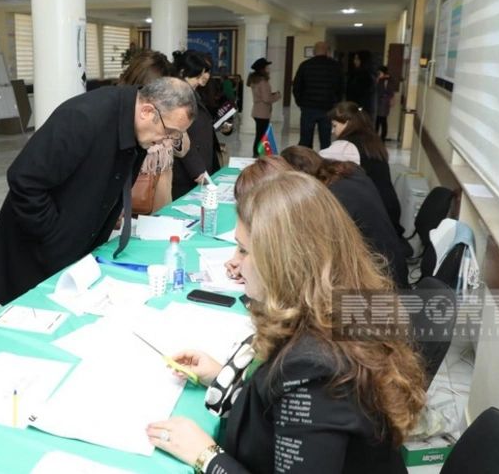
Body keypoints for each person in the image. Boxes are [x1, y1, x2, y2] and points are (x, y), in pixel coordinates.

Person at [147, 172, 426, 474]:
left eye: (244, 249)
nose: (235, 262)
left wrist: (205, 455)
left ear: (282, 261)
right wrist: (220, 375)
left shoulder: (315, 369)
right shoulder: (330, 312)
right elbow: (280, 406)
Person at [0, 77, 196, 304]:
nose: (167, 141)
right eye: (169, 131)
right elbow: (24, 180)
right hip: (32, 258)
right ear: (147, 111)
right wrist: (56, 237)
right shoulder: (83, 118)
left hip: (75, 257)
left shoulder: (135, 127)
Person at [281, 146, 409, 289]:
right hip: (393, 267)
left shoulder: (333, 200)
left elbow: (318, 257)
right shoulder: (351, 174)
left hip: (381, 285)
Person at [118, 50, 190, 213]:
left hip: (161, 202)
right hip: (124, 205)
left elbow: (183, 150)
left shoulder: (169, 112)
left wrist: (173, 133)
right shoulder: (121, 112)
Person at [329, 102, 405, 240]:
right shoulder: (373, 141)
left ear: (346, 122)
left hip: (374, 215)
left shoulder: (346, 146)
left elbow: (317, 160)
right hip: (389, 208)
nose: (333, 131)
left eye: (334, 126)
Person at [171, 50, 222, 199]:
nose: (201, 80)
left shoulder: (195, 92)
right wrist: (199, 171)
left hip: (198, 164)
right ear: (182, 72)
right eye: (197, 76)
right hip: (185, 171)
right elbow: (180, 137)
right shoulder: (178, 96)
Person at [292, 41, 345, 149]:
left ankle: (304, 162)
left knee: (305, 139)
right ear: (328, 51)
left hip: (308, 107)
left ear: (314, 51)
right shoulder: (335, 66)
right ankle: (325, 162)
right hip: (328, 108)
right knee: (325, 140)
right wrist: (336, 104)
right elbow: (341, 87)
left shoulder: (305, 65)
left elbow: (297, 86)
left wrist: (301, 103)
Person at [247, 57, 282, 157]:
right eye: (267, 67)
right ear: (263, 69)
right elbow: (267, 99)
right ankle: (257, 154)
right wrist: (277, 95)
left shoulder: (255, 81)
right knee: (261, 135)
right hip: (262, 112)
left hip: (257, 111)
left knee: (260, 134)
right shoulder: (263, 82)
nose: (268, 69)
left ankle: (257, 153)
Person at [347, 50, 378, 121]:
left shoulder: (367, 76)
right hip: (356, 109)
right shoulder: (356, 74)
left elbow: (363, 96)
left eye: (357, 59)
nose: (354, 61)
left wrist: (358, 109)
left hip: (362, 110)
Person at [375, 65, 396, 141]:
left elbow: (390, 93)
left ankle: (382, 139)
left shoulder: (388, 81)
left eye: (379, 72)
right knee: (377, 122)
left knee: (382, 122)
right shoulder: (379, 80)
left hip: (383, 105)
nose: (378, 74)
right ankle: (376, 138)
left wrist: (383, 100)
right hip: (378, 104)